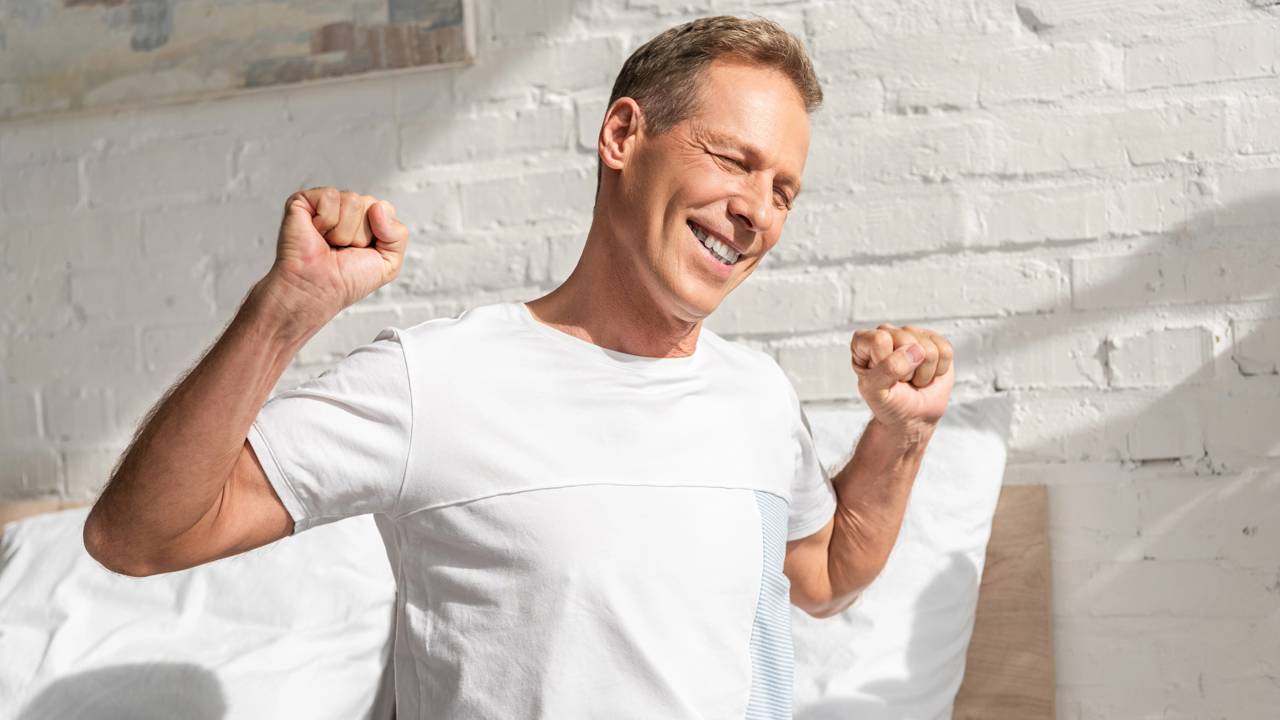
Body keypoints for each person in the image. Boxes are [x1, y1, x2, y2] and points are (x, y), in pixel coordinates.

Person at [84, 14, 955, 719]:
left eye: (783, 189)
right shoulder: (440, 382)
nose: (757, 211)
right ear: (623, 135)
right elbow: (139, 535)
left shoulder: (757, 396)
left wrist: (902, 436)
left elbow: (827, 576)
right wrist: (284, 313)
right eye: (732, 159)